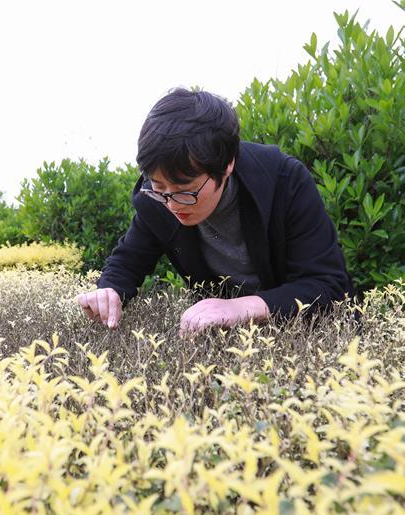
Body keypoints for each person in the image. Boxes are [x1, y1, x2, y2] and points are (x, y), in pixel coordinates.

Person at [76, 88, 355, 334]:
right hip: (226, 341)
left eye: (186, 190)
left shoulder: (284, 181)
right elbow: (127, 261)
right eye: (159, 186)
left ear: (227, 164)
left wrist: (238, 309)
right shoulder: (157, 199)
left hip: (309, 336)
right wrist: (109, 291)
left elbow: (327, 285)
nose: (172, 204)